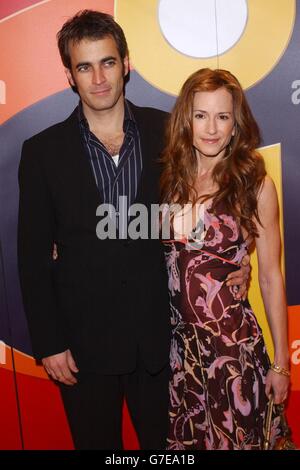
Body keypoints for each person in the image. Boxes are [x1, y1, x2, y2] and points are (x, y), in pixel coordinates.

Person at [17, 11, 249, 450]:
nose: (98, 78)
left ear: (127, 63)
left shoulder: (171, 133)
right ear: (69, 75)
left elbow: (221, 201)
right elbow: (31, 258)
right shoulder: (43, 152)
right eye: (84, 66)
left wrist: (237, 263)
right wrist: (49, 343)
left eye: (107, 62)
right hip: (82, 349)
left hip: (163, 342)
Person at [160, 68, 290, 450]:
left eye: (223, 116)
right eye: (201, 115)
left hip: (233, 351)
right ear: (187, 120)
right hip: (181, 358)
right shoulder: (171, 180)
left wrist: (281, 364)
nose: (212, 128)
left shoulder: (256, 185)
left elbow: (270, 276)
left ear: (236, 124)